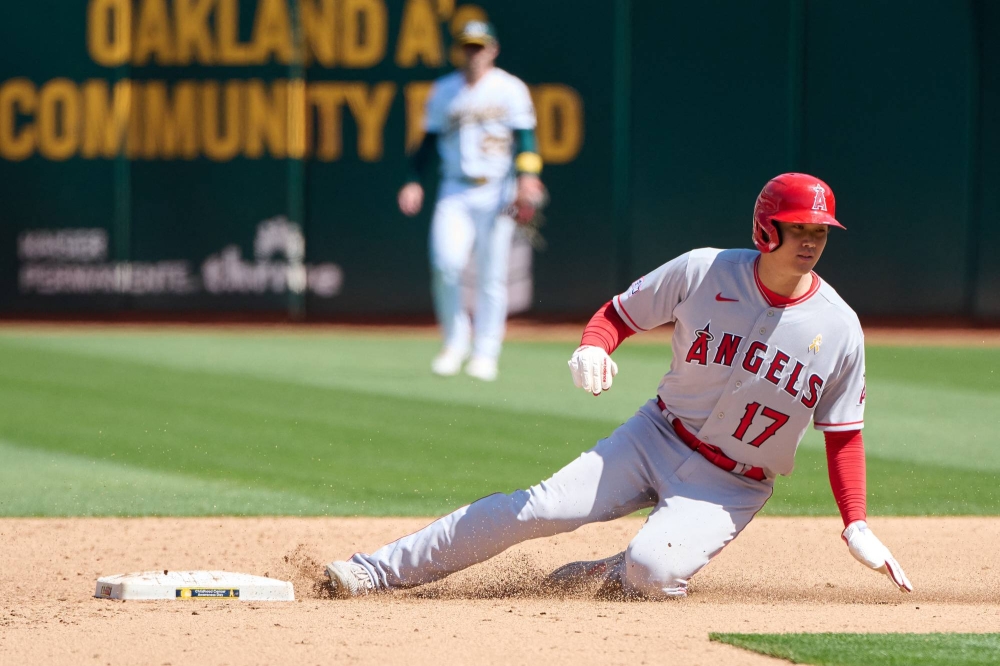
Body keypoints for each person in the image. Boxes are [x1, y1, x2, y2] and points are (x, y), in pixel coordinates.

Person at [327, 173, 912, 599]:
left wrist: (855, 521)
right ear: (766, 229)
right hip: (655, 435)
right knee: (537, 509)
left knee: (650, 573)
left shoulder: (840, 327)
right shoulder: (704, 270)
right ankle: (375, 570)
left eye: (821, 231)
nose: (812, 241)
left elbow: (844, 435)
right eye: (799, 229)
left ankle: (614, 570)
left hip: (730, 484)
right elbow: (617, 314)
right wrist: (592, 346)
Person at [398, 20, 547, 382]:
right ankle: (454, 342)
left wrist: (527, 176)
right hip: (455, 188)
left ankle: (486, 351)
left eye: (479, 46)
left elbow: (526, 138)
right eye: (467, 46)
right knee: (445, 264)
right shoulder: (445, 90)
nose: (473, 53)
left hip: (497, 188)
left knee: (491, 274)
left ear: (492, 49)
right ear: (459, 50)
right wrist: (414, 180)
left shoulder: (509, 88)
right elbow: (429, 143)